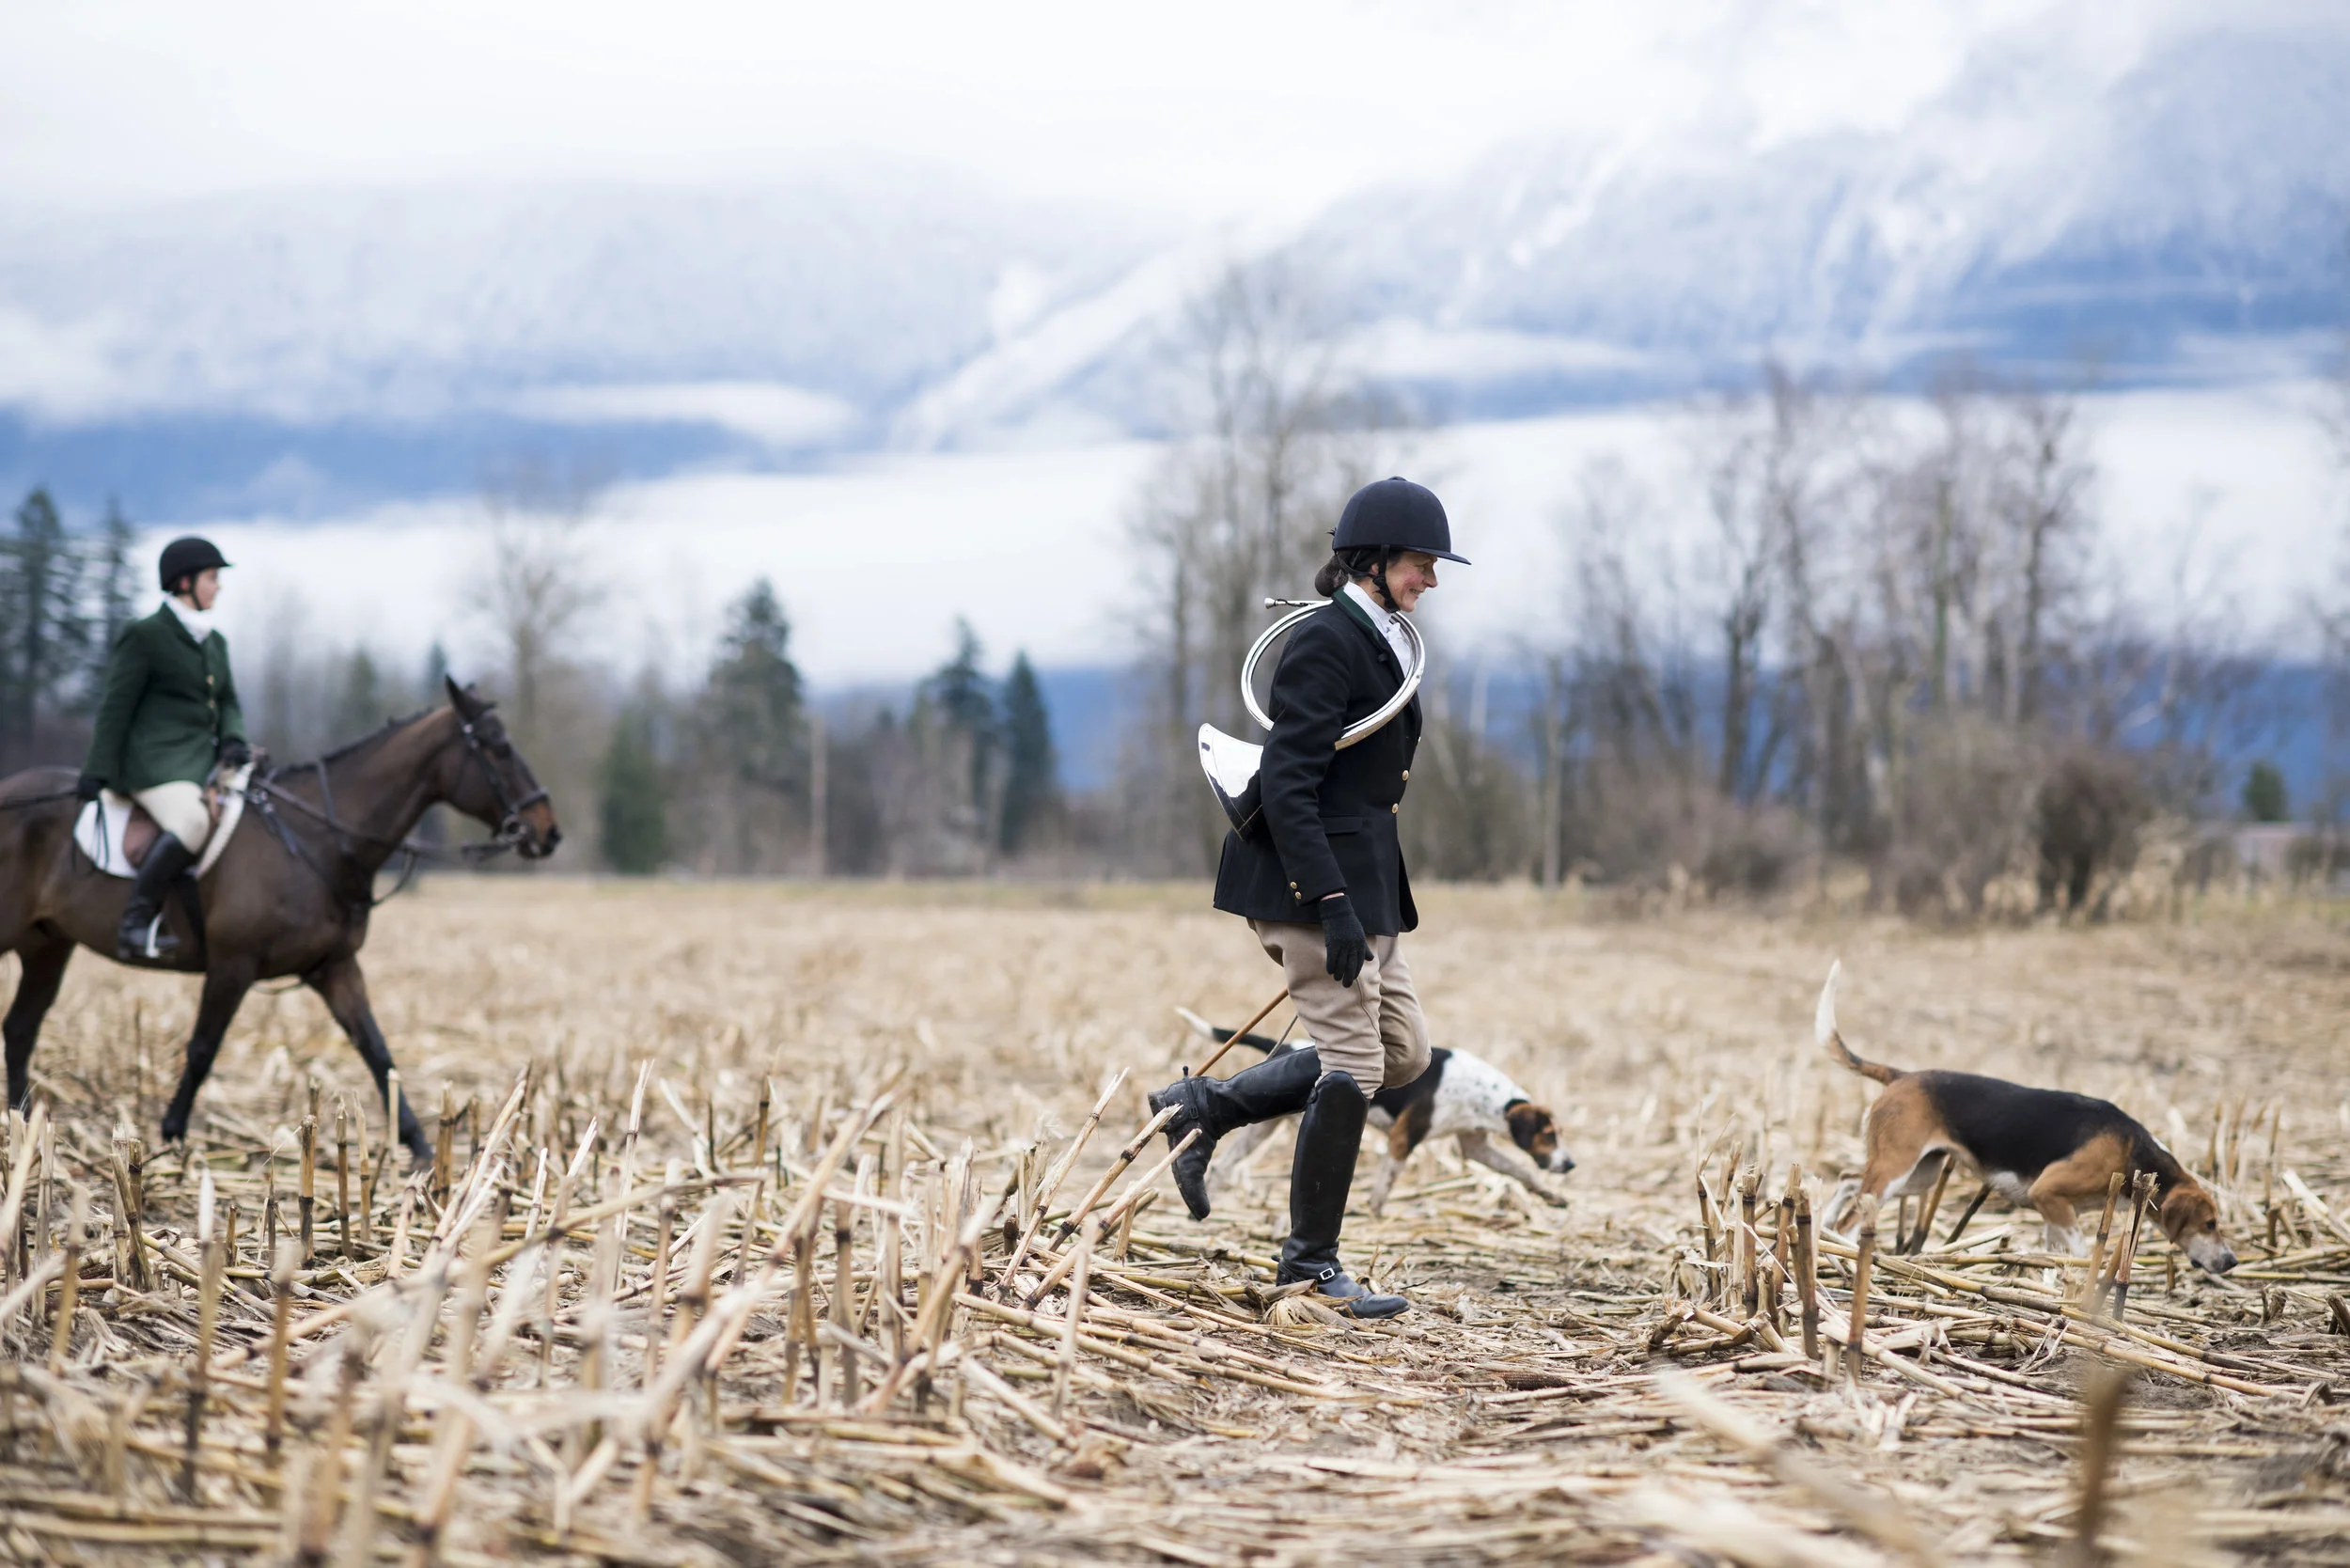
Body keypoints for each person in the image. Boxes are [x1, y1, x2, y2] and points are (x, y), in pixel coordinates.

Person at [1149, 477, 1466, 1320]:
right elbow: (1288, 784)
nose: (1429, 581)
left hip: (1368, 888)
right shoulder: (1325, 644)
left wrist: (1358, 901)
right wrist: (1327, 901)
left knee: (1402, 1058)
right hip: (1309, 884)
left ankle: (1203, 1106)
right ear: (1372, 562)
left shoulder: (1385, 641)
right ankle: (1308, 1270)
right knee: (1355, 1066)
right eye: (1420, 565)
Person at [78, 537, 252, 961]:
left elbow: (227, 700)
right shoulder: (146, 636)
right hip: (153, 765)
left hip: (201, 759)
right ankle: (135, 923)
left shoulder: (215, 642)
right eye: (213, 578)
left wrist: (233, 737)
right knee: (193, 821)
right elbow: (116, 707)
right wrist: (96, 768)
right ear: (185, 582)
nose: (218, 587)